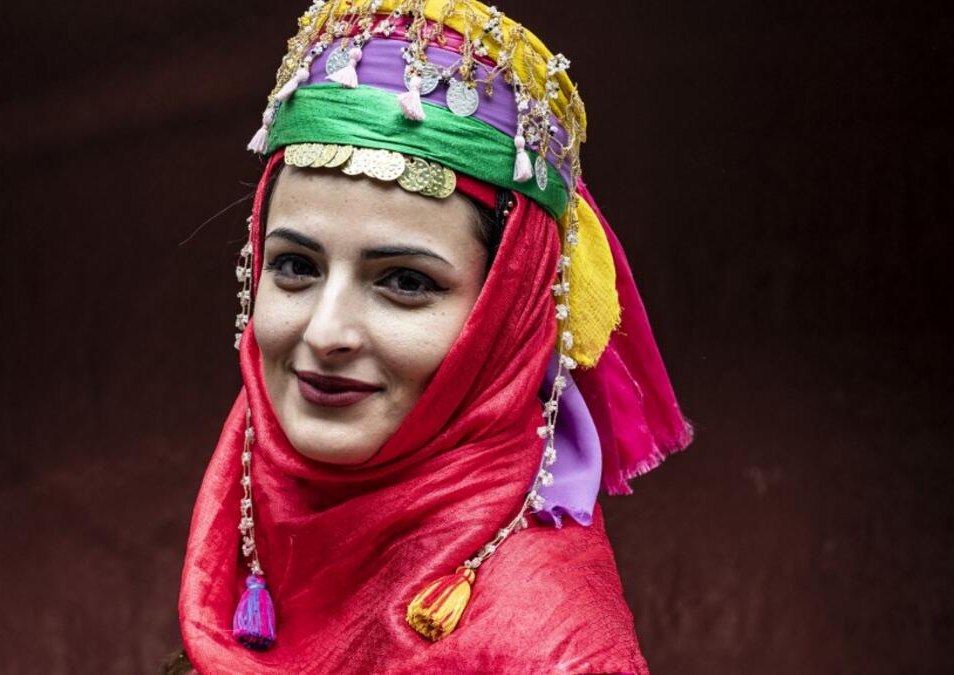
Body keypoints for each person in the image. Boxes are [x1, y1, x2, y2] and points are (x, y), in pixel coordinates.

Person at [177, 1, 692, 672]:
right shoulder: (253, 490)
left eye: (406, 282)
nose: (326, 332)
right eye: (296, 267)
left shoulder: (552, 647)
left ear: (508, 315)